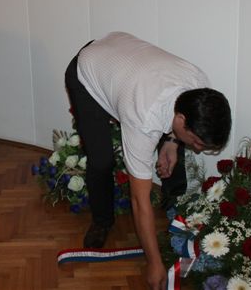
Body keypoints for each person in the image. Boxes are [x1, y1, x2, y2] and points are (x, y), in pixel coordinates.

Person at [64, 32, 231, 290]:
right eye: (198, 142)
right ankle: (102, 220)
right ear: (181, 120)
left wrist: (172, 142)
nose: (199, 149)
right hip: (87, 69)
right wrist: (154, 263)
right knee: (101, 160)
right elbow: (139, 200)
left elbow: (176, 127)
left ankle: (173, 209)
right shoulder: (143, 118)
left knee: (175, 148)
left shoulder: (200, 86)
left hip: (122, 60)